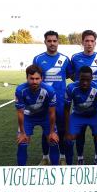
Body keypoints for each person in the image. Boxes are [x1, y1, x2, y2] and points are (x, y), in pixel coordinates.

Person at [32, 30, 72, 165]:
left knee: (61, 130)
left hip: (60, 101)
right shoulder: (38, 59)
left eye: (54, 41)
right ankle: (45, 157)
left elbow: (68, 75)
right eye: (49, 41)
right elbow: (35, 78)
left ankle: (62, 157)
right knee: (46, 130)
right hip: (43, 101)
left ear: (58, 42)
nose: (52, 43)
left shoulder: (65, 59)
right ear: (45, 42)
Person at [70, 30, 97, 165]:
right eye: (87, 41)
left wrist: (93, 86)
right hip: (80, 100)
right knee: (79, 134)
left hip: (95, 101)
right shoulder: (74, 58)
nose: (89, 43)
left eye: (92, 41)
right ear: (82, 42)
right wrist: (81, 84)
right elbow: (71, 74)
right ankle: (80, 157)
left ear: (95, 43)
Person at [15, 65, 59, 166]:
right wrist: (22, 132)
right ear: (27, 78)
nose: (34, 81)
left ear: (42, 78)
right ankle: (21, 172)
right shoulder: (20, 90)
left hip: (45, 117)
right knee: (22, 142)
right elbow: (20, 113)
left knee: (53, 140)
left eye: (37, 78)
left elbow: (52, 113)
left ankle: (56, 170)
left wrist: (52, 132)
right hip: (28, 117)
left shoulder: (49, 90)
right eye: (31, 78)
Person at [64, 66, 97, 165]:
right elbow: (66, 110)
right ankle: (76, 161)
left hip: (94, 116)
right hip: (77, 115)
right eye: (82, 79)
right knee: (68, 140)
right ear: (77, 78)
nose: (84, 82)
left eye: (87, 80)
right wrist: (67, 132)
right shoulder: (71, 88)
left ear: (92, 79)